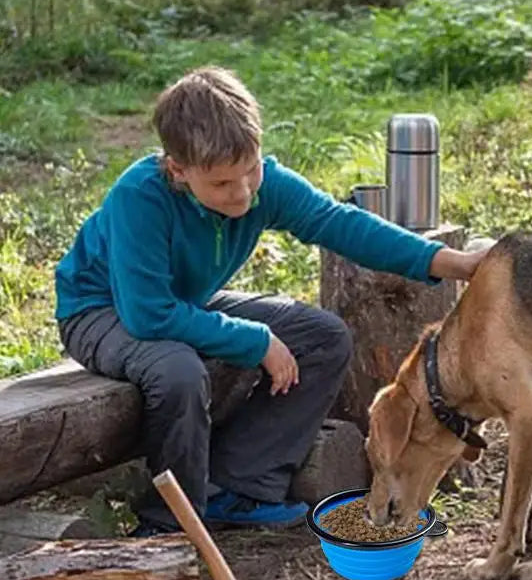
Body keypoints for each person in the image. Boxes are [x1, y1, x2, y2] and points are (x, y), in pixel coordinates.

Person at [54, 66, 485, 536]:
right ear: (178, 170)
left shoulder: (262, 186)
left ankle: (238, 486)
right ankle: (170, 526)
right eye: (221, 184)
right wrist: (255, 340)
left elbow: (342, 224)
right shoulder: (139, 197)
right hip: (101, 310)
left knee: (323, 338)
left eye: (250, 172)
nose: (241, 193)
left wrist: (455, 264)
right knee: (177, 371)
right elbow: (148, 314)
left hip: (183, 303)